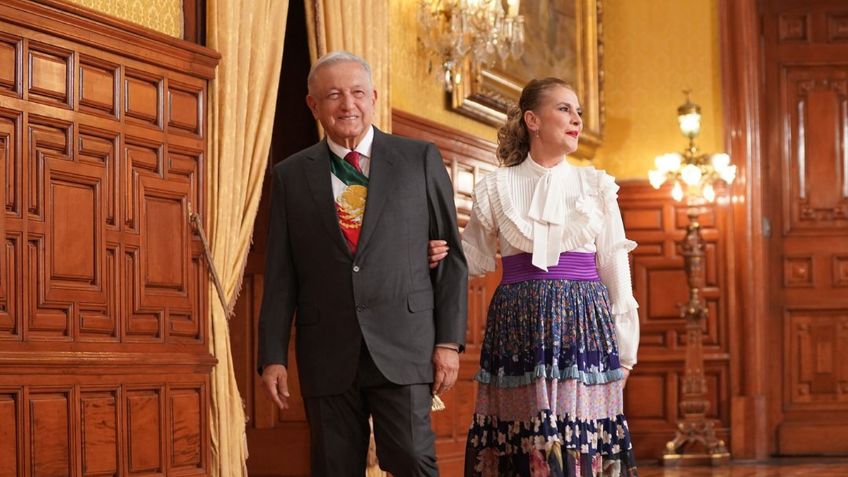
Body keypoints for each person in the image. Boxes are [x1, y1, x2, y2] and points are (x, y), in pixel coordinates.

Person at [257, 51, 468, 477]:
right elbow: (281, 275)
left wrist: (448, 342)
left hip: (405, 343)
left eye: (356, 93)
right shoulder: (290, 176)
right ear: (313, 105)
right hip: (327, 349)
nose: (347, 105)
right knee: (334, 467)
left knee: (412, 459)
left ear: (373, 97)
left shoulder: (419, 159)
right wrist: (272, 355)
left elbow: (452, 259)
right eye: (333, 95)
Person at [460, 78, 640, 476]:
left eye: (578, 111)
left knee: (580, 445)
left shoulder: (595, 185)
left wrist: (626, 354)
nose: (576, 119)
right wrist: (432, 252)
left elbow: (613, 264)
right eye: (564, 109)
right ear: (532, 120)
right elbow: (470, 258)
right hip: (517, 327)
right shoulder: (495, 187)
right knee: (523, 447)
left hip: (583, 327)